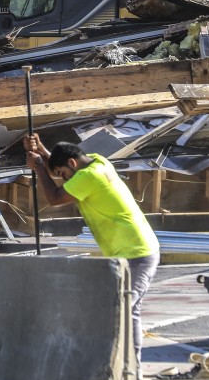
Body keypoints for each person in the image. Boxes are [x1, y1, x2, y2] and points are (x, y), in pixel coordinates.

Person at [24, 136, 159, 365]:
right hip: (132, 251)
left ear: (73, 164)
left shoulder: (89, 177)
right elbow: (62, 167)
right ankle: (126, 368)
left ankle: (127, 369)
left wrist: (39, 167)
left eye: (64, 175)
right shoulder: (98, 161)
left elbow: (55, 197)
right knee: (126, 311)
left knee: (124, 312)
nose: (63, 179)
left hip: (135, 254)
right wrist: (43, 152)